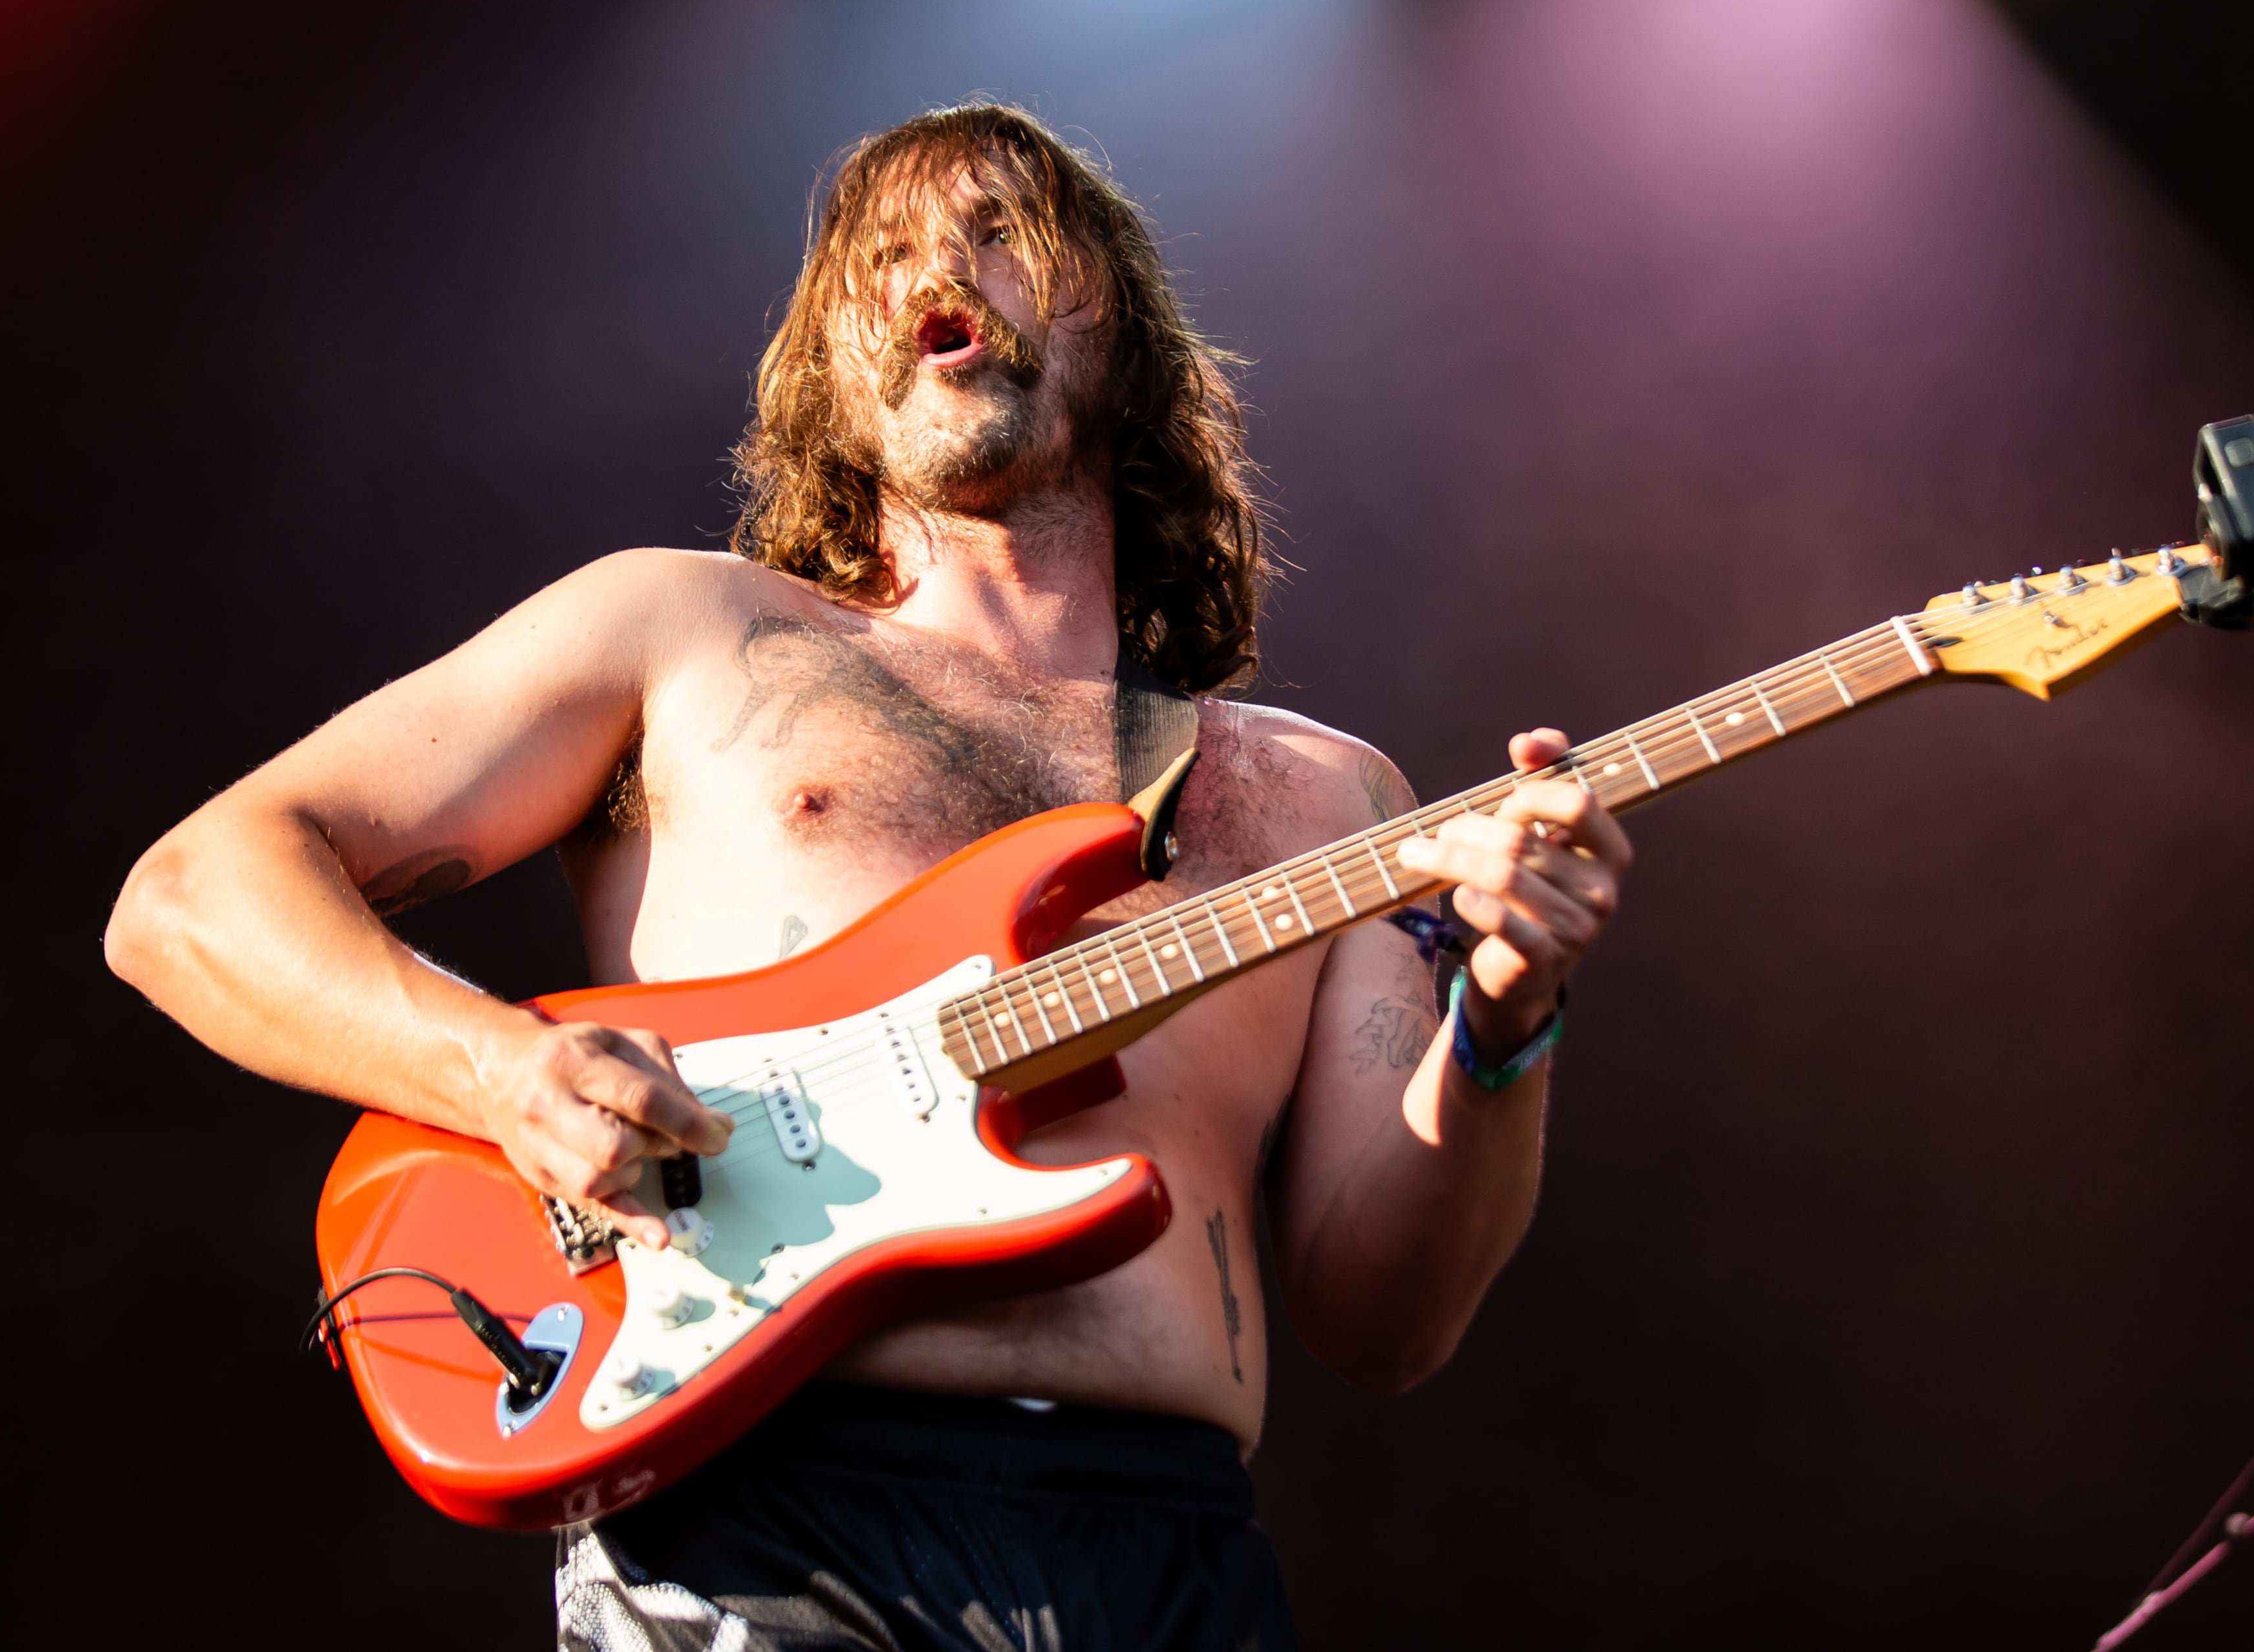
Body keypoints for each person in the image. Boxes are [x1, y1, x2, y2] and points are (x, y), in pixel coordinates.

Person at [105, 102, 1631, 1652]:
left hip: (1168, 1559)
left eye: (999, 232)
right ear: (833, 372)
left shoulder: (1336, 801)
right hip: (760, 1515)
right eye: (883, 256)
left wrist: (1507, 1020)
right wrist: (497, 1069)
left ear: (1127, 333)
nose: (935, 272)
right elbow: (193, 890)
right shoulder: (685, 633)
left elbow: (1385, 1322)